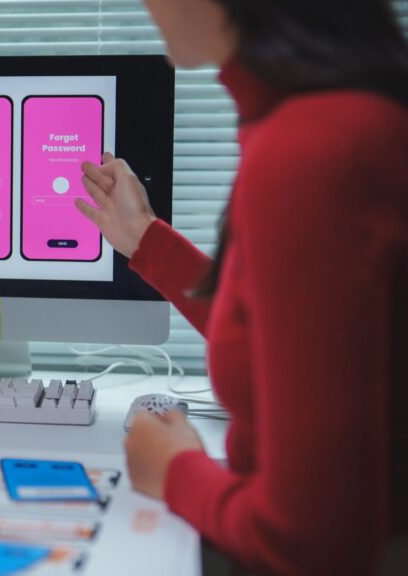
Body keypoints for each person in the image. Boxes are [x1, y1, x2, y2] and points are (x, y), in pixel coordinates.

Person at [75, 0, 408, 573]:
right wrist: (145, 241)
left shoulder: (311, 150)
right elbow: (289, 338)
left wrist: (175, 469)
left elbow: (312, 540)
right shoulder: (343, 118)